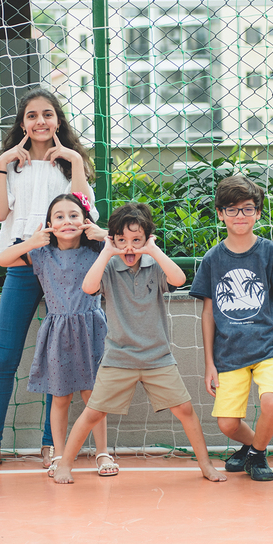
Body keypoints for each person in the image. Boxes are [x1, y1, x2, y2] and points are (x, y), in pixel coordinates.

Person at [0, 88, 97, 472]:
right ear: (22, 124)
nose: (41, 121)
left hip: (62, 268)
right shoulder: (13, 166)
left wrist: (74, 163)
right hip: (23, 264)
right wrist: (2, 165)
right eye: (32, 116)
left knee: (60, 355)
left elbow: (86, 213)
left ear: (59, 121)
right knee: (5, 356)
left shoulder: (69, 165)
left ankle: (49, 445)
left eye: (48, 114)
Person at [52, 202, 226, 485]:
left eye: (137, 241)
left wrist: (153, 250)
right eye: (122, 240)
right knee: (93, 412)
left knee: (185, 410)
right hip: (119, 358)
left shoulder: (154, 265)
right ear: (112, 239)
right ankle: (65, 465)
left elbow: (179, 279)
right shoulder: (108, 266)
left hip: (158, 357)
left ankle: (205, 465)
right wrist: (109, 251)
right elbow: (88, 287)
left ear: (147, 240)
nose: (129, 248)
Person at [190, 175, 273, 482]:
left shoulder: (271, 252)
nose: (240, 216)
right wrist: (209, 363)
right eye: (232, 209)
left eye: (248, 209)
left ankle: (256, 454)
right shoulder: (213, 258)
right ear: (220, 213)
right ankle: (254, 448)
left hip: (269, 348)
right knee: (226, 424)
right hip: (229, 353)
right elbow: (209, 312)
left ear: (258, 213)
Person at [0, 193, 113, 476]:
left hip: (91, 329)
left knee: (93, 395)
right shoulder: (41, 254)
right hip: (58, 332)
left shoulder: (98, 249)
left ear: (85, 221)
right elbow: (2, 259)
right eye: (58, 216)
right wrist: (31, 241)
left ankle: (103, 453)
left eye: (73, 215)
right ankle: (60, 455)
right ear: (49, 224)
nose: (66, 221)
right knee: (60, 397)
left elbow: (127, 247)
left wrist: (103, 234)